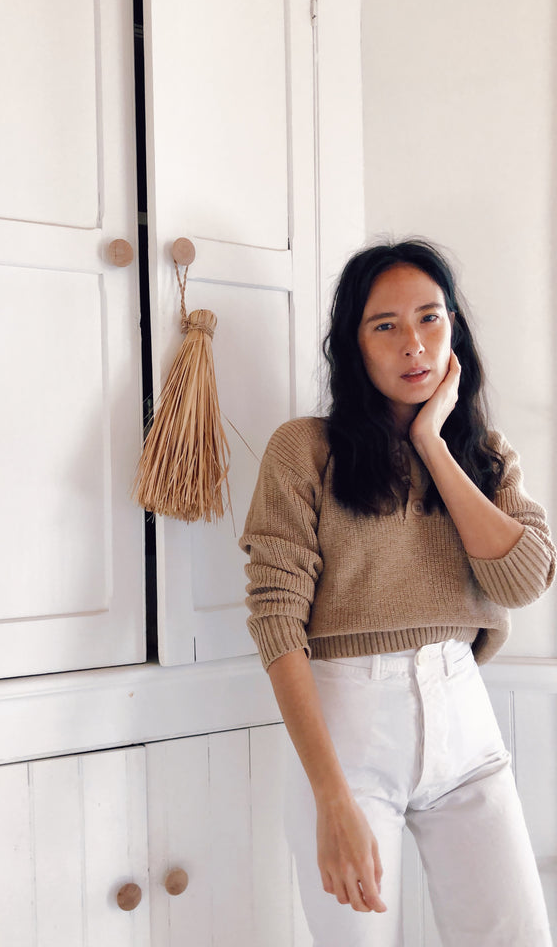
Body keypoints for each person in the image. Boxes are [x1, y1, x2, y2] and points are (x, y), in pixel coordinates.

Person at [240, 240, 555, 947]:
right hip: (348, 729)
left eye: (429, 318)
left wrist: (432, 444)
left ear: (453, 330)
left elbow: (523, 579)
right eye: (384, 325)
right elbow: (276, 620)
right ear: (353, 345)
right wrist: (330, 798)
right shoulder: (304, 450)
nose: (413, 344)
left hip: (464, 720)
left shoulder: (486, 454)